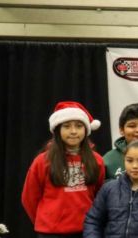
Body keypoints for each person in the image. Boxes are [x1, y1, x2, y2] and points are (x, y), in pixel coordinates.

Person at [21, 101, 105, 237]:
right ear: (57, 130)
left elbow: (99, 195)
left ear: (86, 129)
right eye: (66, 126)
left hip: (86, 231)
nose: (73, 131)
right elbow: (29, 198)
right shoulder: (42, 161)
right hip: (50, 232)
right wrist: (45, 220)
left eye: (78, 126)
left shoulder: (97, 160)